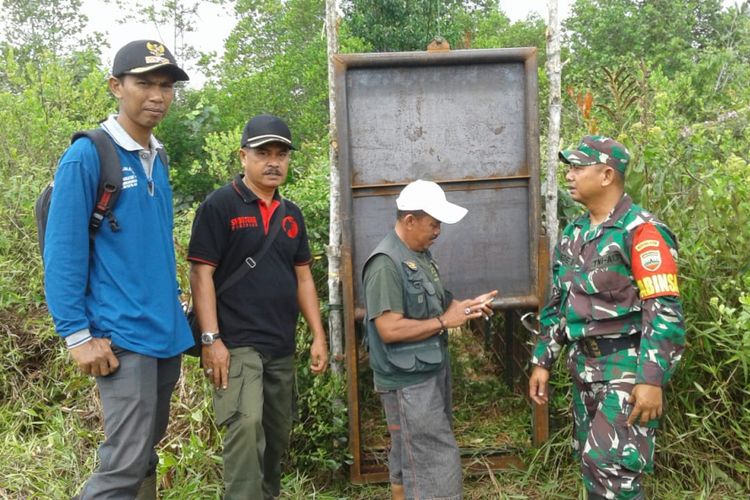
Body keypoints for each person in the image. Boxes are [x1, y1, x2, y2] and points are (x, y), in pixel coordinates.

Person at [43, 40, 194, 498]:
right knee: (124, 466)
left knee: (144, 456)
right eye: (144, 83)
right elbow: (63, 251)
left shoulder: (158, 157)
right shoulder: (90, 155)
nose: (157, 95)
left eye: (166, 86)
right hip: (121, 335)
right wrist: (76, 334)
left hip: (163, 331)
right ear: (116, 86)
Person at [528, 136, 685, 499]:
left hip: (627, 367)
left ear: (606, 175)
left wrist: (652, 378)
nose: (570, 175)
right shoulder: (574, 234)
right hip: (584, 366)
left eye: (578, 168)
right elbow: (558, 303)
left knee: (610, 467)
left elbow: (664, 310)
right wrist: (543, 360)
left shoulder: (642, 233)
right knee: (593, 469)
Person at [188, 114, 329, 500]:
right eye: (263, 152)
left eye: (281, 154)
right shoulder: (220, 205)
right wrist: (211, 339)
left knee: (276, 429)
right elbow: (201, 275)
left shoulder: (292, 215)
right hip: (235, 343)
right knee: (246, 425)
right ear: (243, 156)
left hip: (280, 344)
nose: (274, 162)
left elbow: (303, 279)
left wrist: (318, 335)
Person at [362, 179, 497, 500]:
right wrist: (443, 322)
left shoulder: (419, 255)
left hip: (425, 370)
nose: (438, 231)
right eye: (433, 223)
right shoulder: (385, 264)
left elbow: (441, 304)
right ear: (409, 220)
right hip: (407, 380)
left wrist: (465, 307)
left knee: (409, 450)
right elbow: (389, 329)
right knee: (433, 457)